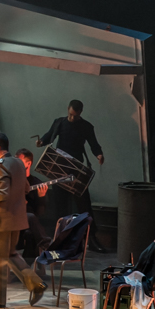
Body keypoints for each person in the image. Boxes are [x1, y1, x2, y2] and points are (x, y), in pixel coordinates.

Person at [0, 132, 46, 308]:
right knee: (10, 255)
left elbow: (2, 194)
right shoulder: (18, 163)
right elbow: (26, 188)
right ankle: (36, 284)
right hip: (15, 220)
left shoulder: (1, 166)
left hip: (0, 221)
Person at [35, 100, 106, 249]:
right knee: (60, 204)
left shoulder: (86, 126)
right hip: (59, 168)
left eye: (76, 115)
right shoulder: (59, 122)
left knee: (84, 204)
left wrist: (99, 154)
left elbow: (93, 143)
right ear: (68, 109)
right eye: (71, 115)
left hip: (76, 169)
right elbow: (49, 135)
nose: (72, 118)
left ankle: (91, 237)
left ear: (81, 112)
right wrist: (41, 142)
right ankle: (61, 237)